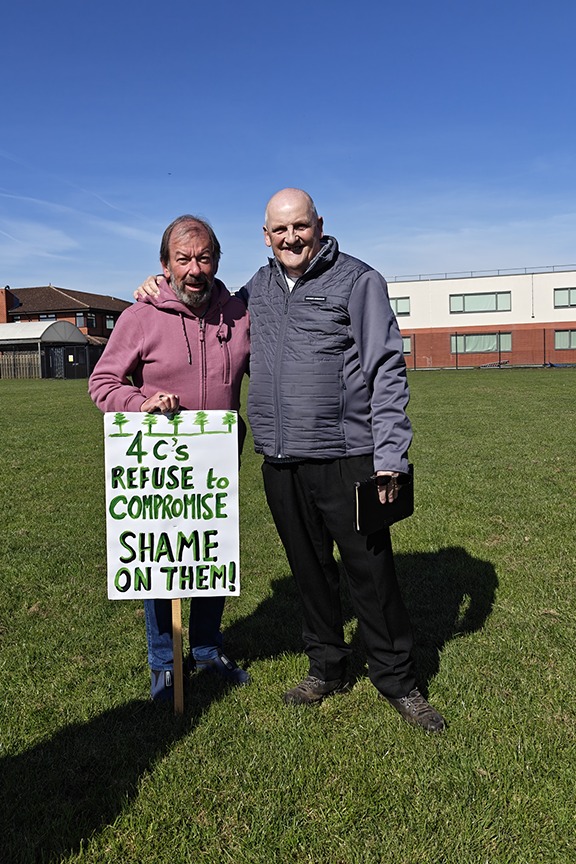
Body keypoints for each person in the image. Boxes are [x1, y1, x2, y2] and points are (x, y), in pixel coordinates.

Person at [137, 190, 446, 732]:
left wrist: (391, 452)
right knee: (309, 573)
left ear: (319, 225)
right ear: (265, 236)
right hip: (280, 461)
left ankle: (398, 680)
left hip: (349, 458)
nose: (291, 238)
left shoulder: (358, 280)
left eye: (300, 226)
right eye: (279, 230)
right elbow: (201, 303)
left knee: (371, 573)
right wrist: (156, 287)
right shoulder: (254, 290)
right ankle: (326, 665)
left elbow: (386, 370)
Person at [90, 215, 251, 702]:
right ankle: (163, 661)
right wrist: (142, 404)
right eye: (183, 259)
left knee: (210, 556)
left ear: (217, 261)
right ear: (165, 265)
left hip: (218, 461)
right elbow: (103, 383)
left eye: (203, 258)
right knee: (161, 563)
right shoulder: (138, 317)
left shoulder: (240, 314)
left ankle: (205, 648)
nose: (194, 269)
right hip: (157, 465)